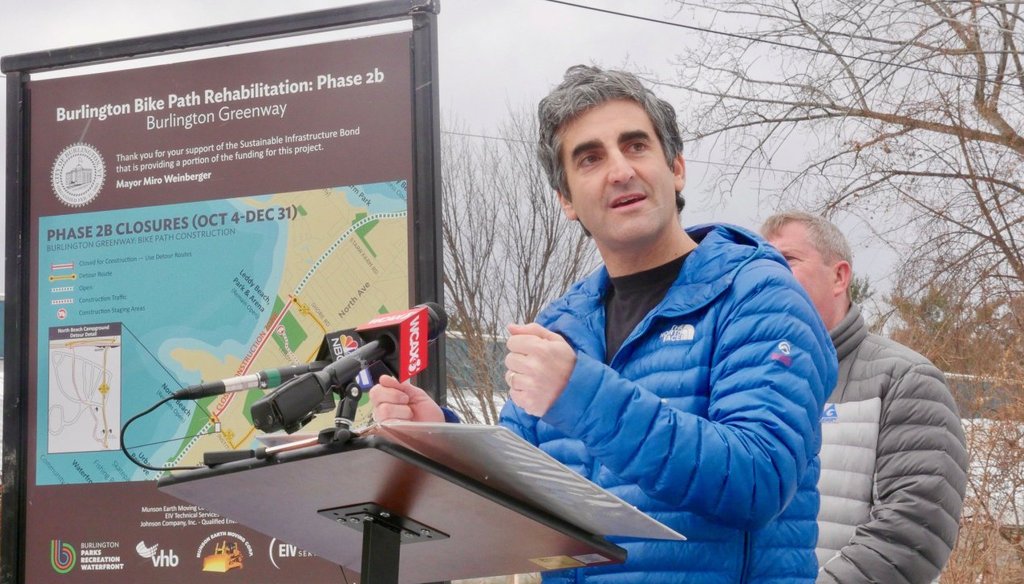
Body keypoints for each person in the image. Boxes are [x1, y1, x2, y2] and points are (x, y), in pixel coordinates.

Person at [371, 65, 837, 583]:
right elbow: (514, 495)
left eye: (636, 146)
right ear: (566, 201)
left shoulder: (758, 295)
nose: (619, 170)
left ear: (676, 168)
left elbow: (760, 481)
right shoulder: (561, 327)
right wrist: (439, 436)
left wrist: (583, 395)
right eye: (590, 158)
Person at [761, 211, 969, 583]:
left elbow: (914, 529)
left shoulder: (905, 380)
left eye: (786, 260)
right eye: (762, 263)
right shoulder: (749, 379)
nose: (768, 274)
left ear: (839, 277)